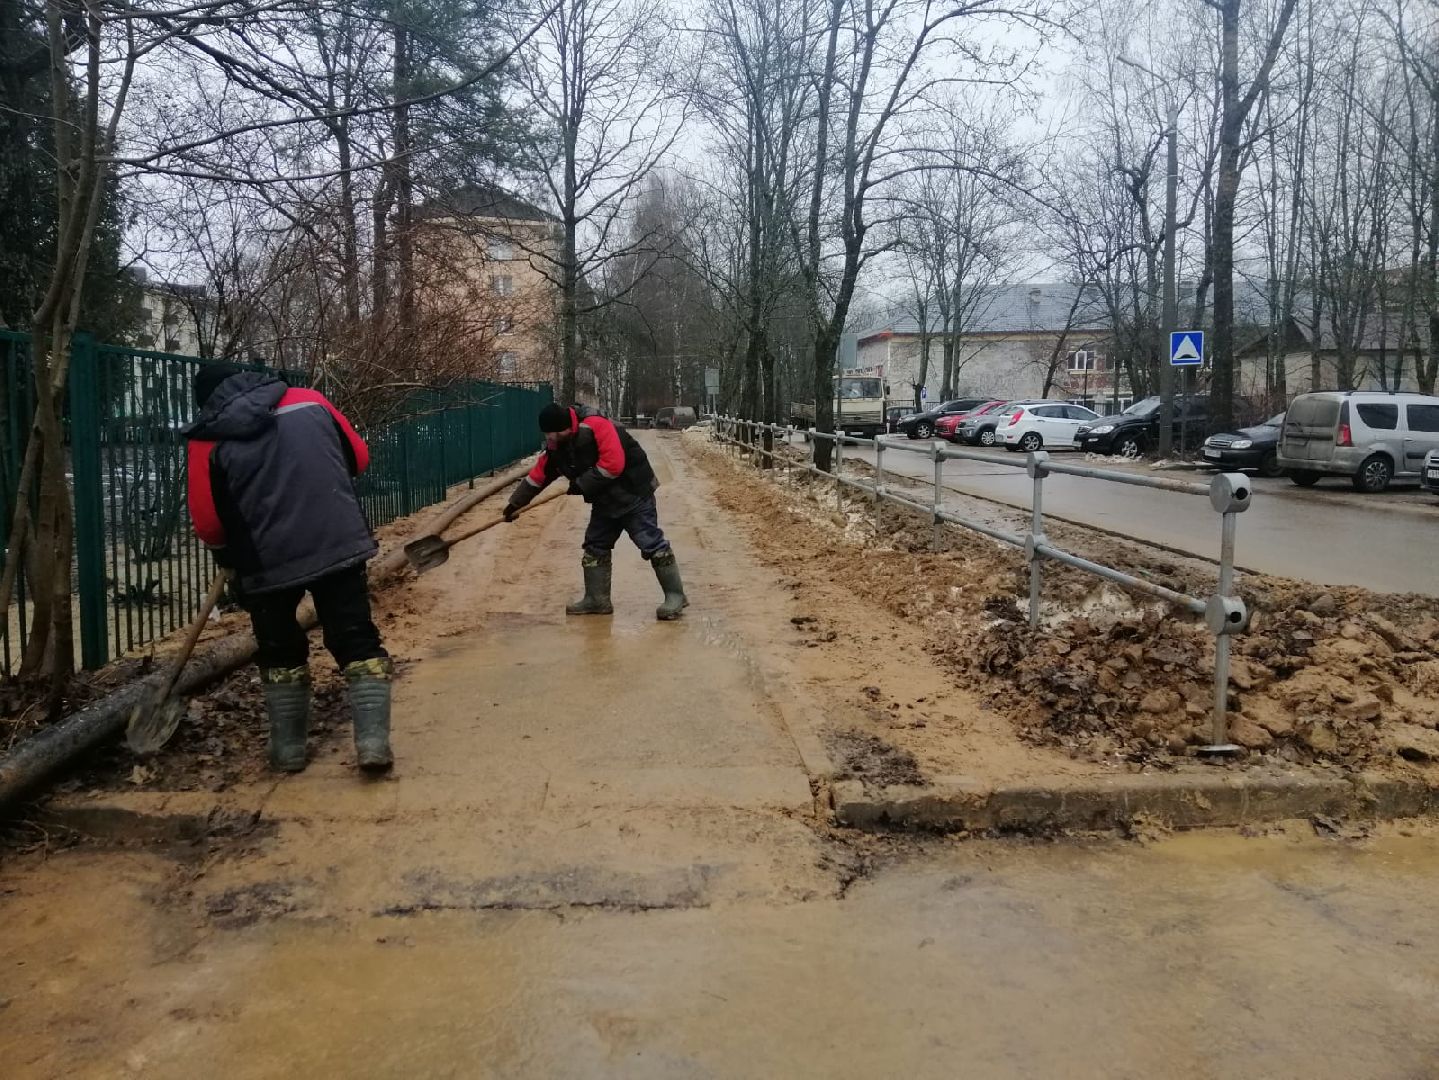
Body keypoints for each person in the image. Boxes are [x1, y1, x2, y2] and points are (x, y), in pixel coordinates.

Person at [184, 363, 394, 774]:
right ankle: (372, 743)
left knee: (280, 649)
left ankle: (288, 750)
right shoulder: (311, 401)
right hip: (338, 542)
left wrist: (228, 551)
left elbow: (208, 523)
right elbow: (360, 459)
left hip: (265, 562)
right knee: (355, 638)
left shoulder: (206, 438)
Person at [504, 402, 688, 620]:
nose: (551, 438)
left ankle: (675, 595)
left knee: (650, 542)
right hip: (605, 501)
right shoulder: (557, 446)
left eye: (554, 433)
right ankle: (597, 599)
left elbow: (613, 464)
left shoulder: (596, 425)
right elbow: (539, 475)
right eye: (547, 434)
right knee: (595, 546)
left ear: (566, 427)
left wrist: (581, 484)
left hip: (634, 492)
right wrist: (516, 503)